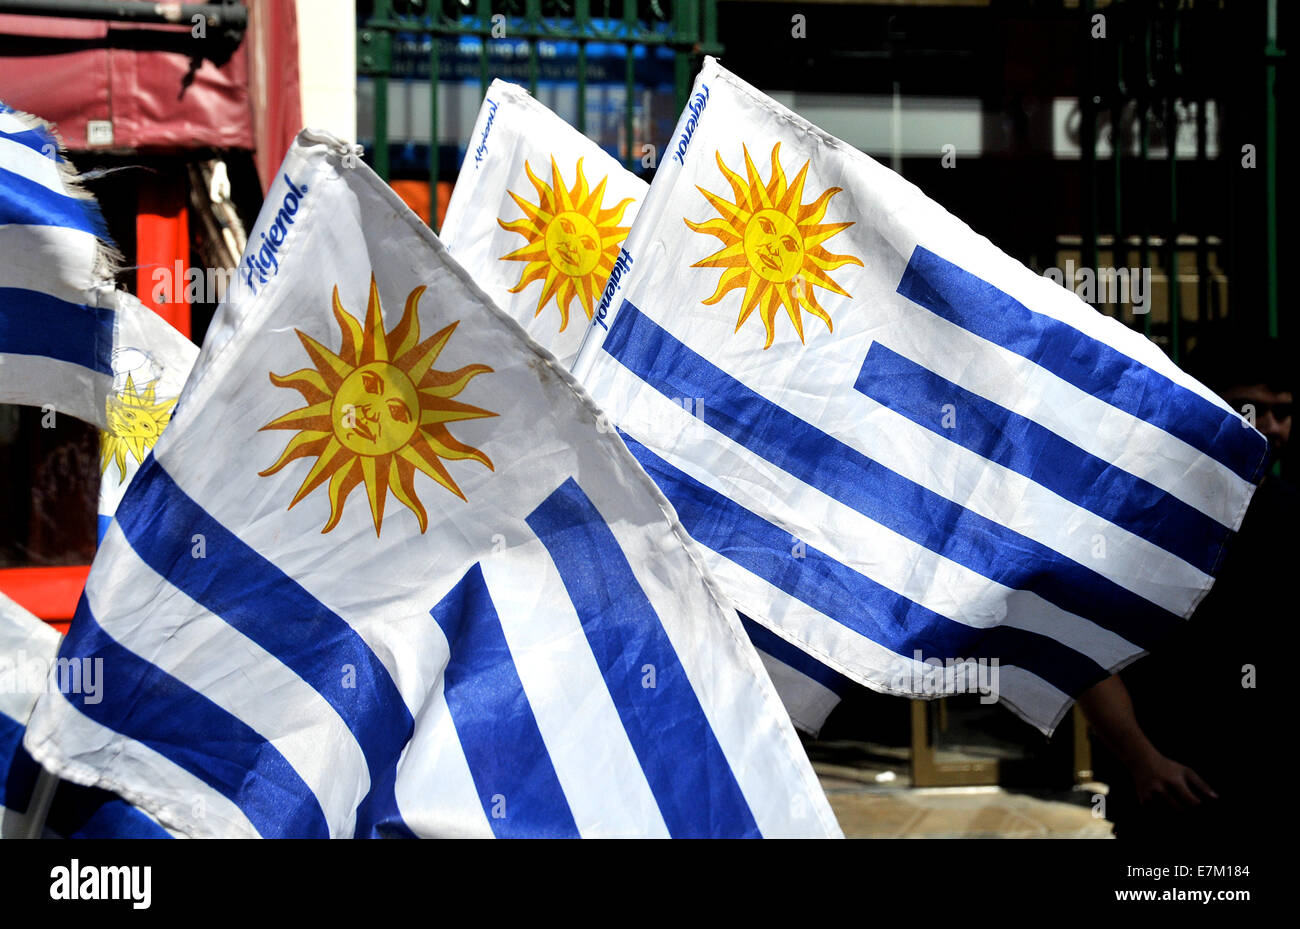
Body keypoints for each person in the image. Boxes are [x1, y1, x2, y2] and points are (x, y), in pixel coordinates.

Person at [1079, 330, 1294, 840]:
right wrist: (1143, 761)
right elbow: (1087, 652)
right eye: (1250, 408)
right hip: (1170, 793)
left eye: (1284, 411)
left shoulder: (1289, 513)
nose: (1271, 427)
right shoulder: (1139, 514)